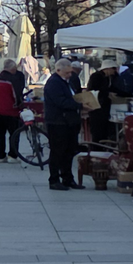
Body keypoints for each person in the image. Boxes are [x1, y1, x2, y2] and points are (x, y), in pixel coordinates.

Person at [42, 58, 83, 189]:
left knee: (69, 151)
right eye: (67, 73)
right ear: (58, 70)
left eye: (70, 72)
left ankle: (67, 178)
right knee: (57, 151)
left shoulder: (66, 82)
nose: (70, 75)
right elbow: (61, 102)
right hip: (57, 122)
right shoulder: (54, 83)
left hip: (69, 122)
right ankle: (54, 180)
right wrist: (80, 105)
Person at [0, 62, 25, 161]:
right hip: (11, 112)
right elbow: (17, 96)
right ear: (13, 69)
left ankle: (1, 156)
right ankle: (12, 156)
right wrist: (17, 106)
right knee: (14, 135)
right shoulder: (13, 80)